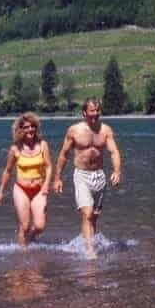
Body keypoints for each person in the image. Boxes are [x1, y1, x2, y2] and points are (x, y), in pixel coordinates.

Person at [54, 98, 122, 258]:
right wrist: (57, 178)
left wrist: (117, 171)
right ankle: (90, 252)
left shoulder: (106, 130)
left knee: (94, 217)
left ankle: (86, 242)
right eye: (92, 111)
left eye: (98, 110)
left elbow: (114, 152)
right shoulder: (74, 130)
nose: (95, 114)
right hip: (82, 175)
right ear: (85, 112)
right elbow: (63, 155)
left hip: (99, 175)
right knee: (87, 213)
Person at [0, 112, 52, 247]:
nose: (30, 129)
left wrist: (46, 185)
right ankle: (22, 253)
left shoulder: (43, 145)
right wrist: (0, 192)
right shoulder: (15, 149)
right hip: (21, 189)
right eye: (26, 127)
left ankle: (29, 239)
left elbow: (49, 167)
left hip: (39, 189)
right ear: (20, 130)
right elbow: (7, 171)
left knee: (39, 225)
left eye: (32, 126)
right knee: (24, 225)